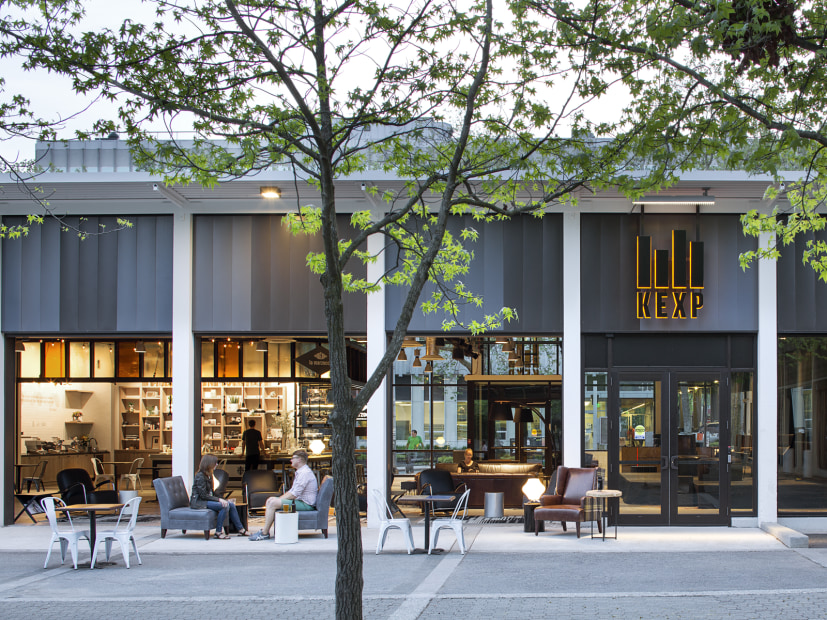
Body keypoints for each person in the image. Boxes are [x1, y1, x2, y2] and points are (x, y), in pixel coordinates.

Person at [249, 449, 318, 541]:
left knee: (272, 502)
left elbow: (294, 494)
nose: (291, 460)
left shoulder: (305, 473)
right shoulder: (301, 472)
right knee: (271, 500)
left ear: (299, 460)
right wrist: (279, 499)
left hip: (306, 504)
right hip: (300, 501)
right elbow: (292, 491)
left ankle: (265, 533)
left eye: (293, 458)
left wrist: (279, 500)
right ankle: (264, 531)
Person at [191, 454, 247, 539]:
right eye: (215, 463)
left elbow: (212, 492)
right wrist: (219, 500)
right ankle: (218, 532)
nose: (216, 465)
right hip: (199, 502)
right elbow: (203, 495)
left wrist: (223, 499)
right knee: (224, 506)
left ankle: (241, 529)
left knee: (230, 504)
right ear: (209, 464)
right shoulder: (200, 476)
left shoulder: (209, 475)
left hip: (206, 500)